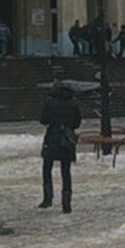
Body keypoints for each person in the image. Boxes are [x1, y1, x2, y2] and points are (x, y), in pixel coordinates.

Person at [38, 81, 82, 214]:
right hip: (67, 139)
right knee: (66, 171)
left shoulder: (49, 102)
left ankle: (47, 198)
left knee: (47, 167)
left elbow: (43, 120)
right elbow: (77, 123)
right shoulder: (74, 103)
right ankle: (66, 203)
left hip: (52, 137)